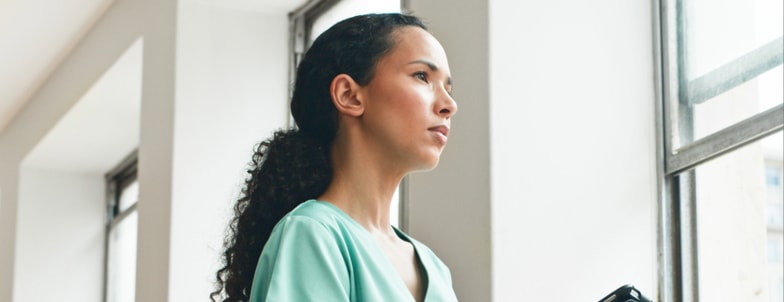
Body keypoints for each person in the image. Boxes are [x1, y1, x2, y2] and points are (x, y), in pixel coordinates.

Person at [211, 13, 458, 302]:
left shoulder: (436, 270)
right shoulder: (312, 235)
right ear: (349, 95)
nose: (449, 105)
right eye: (422, 76)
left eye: (448, 89)